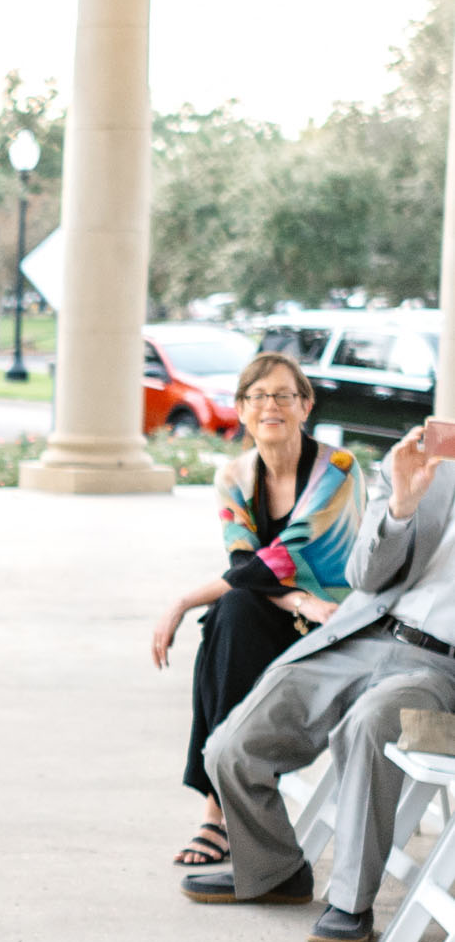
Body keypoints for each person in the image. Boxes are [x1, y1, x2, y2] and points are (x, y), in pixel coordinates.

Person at [187, 424, 455, 942]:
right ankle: (275, 872)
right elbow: (365, 575)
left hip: (436, 670)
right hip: (357, 636)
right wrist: (401, 506)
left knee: (372, 720)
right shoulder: (428, 471)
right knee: (230, 748)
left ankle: (350, 904)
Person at [152, 354, 358, 867]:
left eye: (284, 395)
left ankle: (217, 812)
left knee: (229, 617)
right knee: (232, 618)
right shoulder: (234, 476)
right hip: (287, 612)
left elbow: (275, 560)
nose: (272, 405)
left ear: (305, 406)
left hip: (337, 624)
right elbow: (244, 563)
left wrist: (185, 599)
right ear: (241, 410)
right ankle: (222, 806)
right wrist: (297, 600)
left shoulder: (337, 471)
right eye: (258, 396)